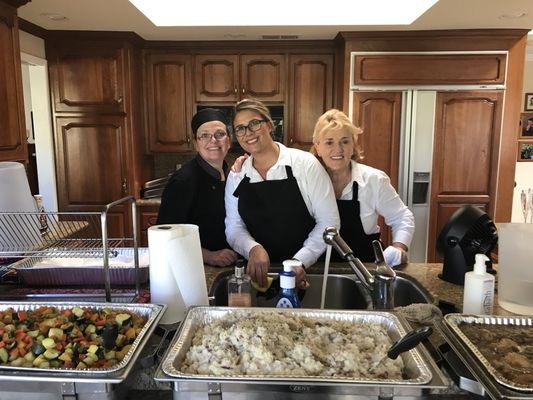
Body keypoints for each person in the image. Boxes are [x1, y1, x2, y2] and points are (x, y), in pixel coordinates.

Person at [225, 99, 340, 288]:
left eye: (254, 123)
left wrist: (299, 261)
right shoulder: (237, 175)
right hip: (258, 274)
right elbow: (233, 226)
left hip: (306, 272)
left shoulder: (305, 164)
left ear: (269, 125)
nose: (248, 133)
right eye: (240, 128)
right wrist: (253, 249)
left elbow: (329, 223)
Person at [311, 109, 415, 266]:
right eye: (329, 142)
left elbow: (402, 217)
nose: (338, 149)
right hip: (319, 270)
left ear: (353, 145)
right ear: (318, 147)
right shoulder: (307, 181)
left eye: (345, 141)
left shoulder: (374, 180)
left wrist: (399, 247)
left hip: (366, 270)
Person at [157, 108, 238, 267]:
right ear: (196, 143)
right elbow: (165, 236)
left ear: (229, 140)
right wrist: (209, 256)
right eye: (204, 135)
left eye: (220, 134)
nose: (213, 140)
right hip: (196, 267)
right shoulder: (184, 180)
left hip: (230, 263)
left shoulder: (231, 175)